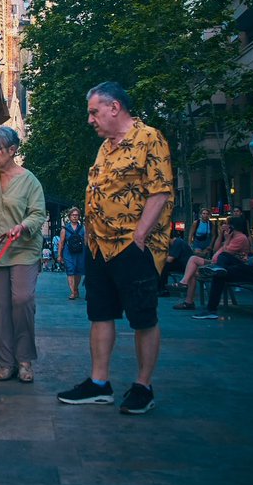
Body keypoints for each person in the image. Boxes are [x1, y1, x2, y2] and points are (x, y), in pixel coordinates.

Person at [57, 82, 173, 415]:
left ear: (114, 107)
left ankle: (143, 386)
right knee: (100, 314)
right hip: (98, 246)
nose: (90, 119)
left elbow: (160, 191)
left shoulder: (150, 138)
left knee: (143, 318)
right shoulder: (106, 147)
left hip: (133, 246)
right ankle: (99, 383)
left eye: (94, 112)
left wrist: (139, 237)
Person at [0, 125, 46, 384]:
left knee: (22, 301)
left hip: (22, 250)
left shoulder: (29, 180)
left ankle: (25, 359)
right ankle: (6, 362)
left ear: (12, 150)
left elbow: (38, 214)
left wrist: (23, 226)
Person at [192, 211, 253, 319]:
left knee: (220, 274)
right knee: (224, 256)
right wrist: (250, 259)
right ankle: (218, 269)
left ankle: (211, 309)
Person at [173, 215, 250, 310]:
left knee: (192, 272)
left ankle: (188, 301)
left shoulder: (240, 238)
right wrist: (221, 235)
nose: (224, 226)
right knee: (193, 259)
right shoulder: (230, 235)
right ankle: (184, 283)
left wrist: (227, 240)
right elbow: (216, 249)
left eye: (226, 224)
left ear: (232, 226)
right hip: (214, 262)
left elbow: (226, 254)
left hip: (225, 267)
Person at [58, 207, 86, 299]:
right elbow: (61, 243)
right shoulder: (65, 229)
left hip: (80, 253)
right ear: (69, 217)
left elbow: (86, 242)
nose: (75, 217)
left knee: (78, 271)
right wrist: (59, 255)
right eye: (73, 215)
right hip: (68, 253)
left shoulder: (83, 228)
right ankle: (73, 292)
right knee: (70, 270)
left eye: (76, 215)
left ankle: (76, 288)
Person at [158, 230, 192, 295]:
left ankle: (162, 289)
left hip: (185, 266)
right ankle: (161, 288)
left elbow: (170, 259)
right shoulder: (177, 242)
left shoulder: (177, 243)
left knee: (164, 267)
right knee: (163, 266)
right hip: (184, 264)